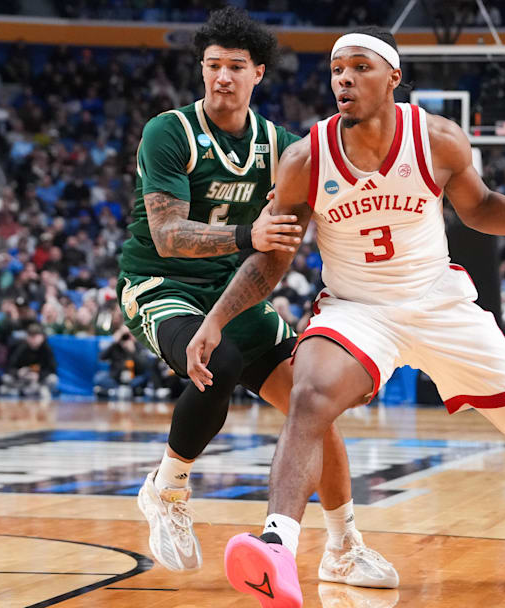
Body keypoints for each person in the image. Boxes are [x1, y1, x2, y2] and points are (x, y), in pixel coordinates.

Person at [189, 27, 505, 606]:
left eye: (359, 67)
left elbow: (476, 208)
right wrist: (217, 318)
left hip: (439, 304)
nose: (344, 79)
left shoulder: (438, 139)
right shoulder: (304, 160)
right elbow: (272, 259)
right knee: (310, 394)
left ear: (394, 77)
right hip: (358, 310)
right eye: (336, 70)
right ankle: (276, 545)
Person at [116, 8, 395, 584]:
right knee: (217, 362)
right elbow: (168, 237)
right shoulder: (169, 131)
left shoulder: (282, 147)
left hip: (235, 292)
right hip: (160, 284)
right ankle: (167, 489)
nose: (222, 76)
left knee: (313, 406)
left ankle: (343, 545)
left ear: (258, 73)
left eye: (235, 66)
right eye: (212, 65)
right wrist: (248, 235)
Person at [0, 324, 58, 399]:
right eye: (30, 336)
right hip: (22, 380)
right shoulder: (21, 348)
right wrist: (18, 372)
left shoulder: (47, 349)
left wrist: (39, 375)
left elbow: (52, 369)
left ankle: (26, 391)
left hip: (39, 381)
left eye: (35, 336)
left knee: (53, 379)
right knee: (5, 378)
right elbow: (9, 367)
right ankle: (23, 391)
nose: (33, 339)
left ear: (42, 337)